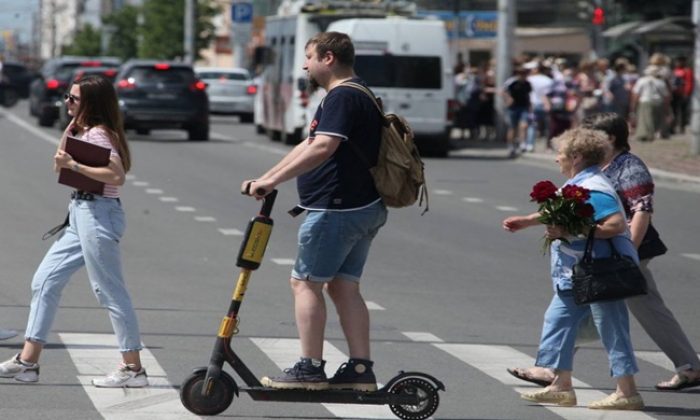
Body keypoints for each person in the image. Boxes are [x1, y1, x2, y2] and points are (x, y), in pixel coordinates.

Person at [508, 113, 700, 391]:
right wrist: (528, 221)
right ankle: (559, 372)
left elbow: (640, 212)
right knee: (592, 307)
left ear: (609, 138)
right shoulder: (598, 168)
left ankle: (559, 372)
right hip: (607, 251)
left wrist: (626, 257)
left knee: (601, 308)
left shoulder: (629, 167)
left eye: (593, 136)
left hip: (625, 250)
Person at [241, 31, 387, 391]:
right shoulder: (359, 93)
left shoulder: (342, 96)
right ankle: (359, 371)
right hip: (363, 206)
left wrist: (271, 181)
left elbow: (323, 147)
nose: (304, 65)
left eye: (309, 57)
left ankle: (309, 368)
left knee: (304, 283)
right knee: (343, 287)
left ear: (329, 58)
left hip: (337, 208)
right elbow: (308, 143)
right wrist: (269, 178)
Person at [0, 75, 148, 388]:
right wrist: (69, 136)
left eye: (74, 99)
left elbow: (117, 175)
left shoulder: (98, 134)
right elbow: (59, 165)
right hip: (81, 213)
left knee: (108, 290)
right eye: (67, 96)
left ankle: (132, 368)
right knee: (45, 281)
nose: (67, 102)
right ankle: (27, 362)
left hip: (98, 215)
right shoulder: (85, 130)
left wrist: (76, 165)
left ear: (91, 104)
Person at [503, 128, 644, 410]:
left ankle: (627, 392)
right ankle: (561, 386)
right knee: (557, 321)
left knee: (612, 328)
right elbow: (560, 210)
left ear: (576, 156)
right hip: (575, 273)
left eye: (560, 153)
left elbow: (615, 225)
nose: (557, 159)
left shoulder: (593, 187)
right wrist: (527, 221)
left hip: (601, 272)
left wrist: (569, 229)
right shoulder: (580, 183)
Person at [631, 65, 670, 142]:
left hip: (645, 101)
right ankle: (654, 133)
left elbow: (636, 93)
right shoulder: (660, 82)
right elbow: (666, 95)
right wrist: (666, 106)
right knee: (655, 119)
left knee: (644, 119)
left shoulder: (642, 80)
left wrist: (633, 104)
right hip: (658, 102)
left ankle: (644, 135)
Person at [503, 67, 532, 157]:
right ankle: (511, 146)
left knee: (524, 125)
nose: (522, 76)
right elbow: (504, 91)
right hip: (513, 108)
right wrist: (508, 99)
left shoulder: (527, 84)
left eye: (524, 74)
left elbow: (529, 95)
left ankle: (522, 143)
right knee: (512, 127)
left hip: (523, 107)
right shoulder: (512, 82)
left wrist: (530, 106)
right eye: (520, 74)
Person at [671, 56, 693, 134]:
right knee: (674, 111)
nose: (677, 63)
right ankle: (673, 127)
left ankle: (682, 127)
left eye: (679, 62)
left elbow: (689, 82)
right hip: (674, 94)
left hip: (682, 94)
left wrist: (687, 93)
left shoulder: (687, 71)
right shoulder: (675, 70)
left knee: (683, 111)